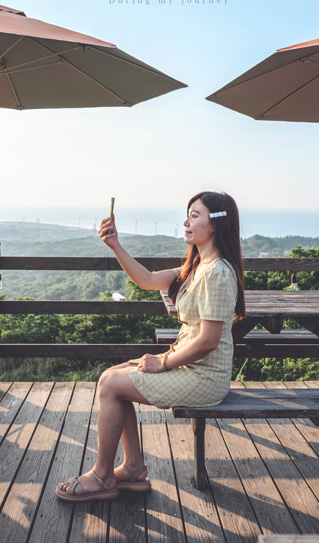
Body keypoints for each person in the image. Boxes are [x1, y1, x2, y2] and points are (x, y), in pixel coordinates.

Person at [56, 191, 246, 502]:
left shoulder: (217, 273)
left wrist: (165, 363)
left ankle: (104, 475)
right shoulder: (197, 266)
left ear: (215, 225)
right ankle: (132, 469)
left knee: (111, 384)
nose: (186, 222)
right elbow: (145, 279)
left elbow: (209, 341)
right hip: (188, 364)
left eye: (195, 216)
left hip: (206, 377)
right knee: (113, 377)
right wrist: (115, 245)